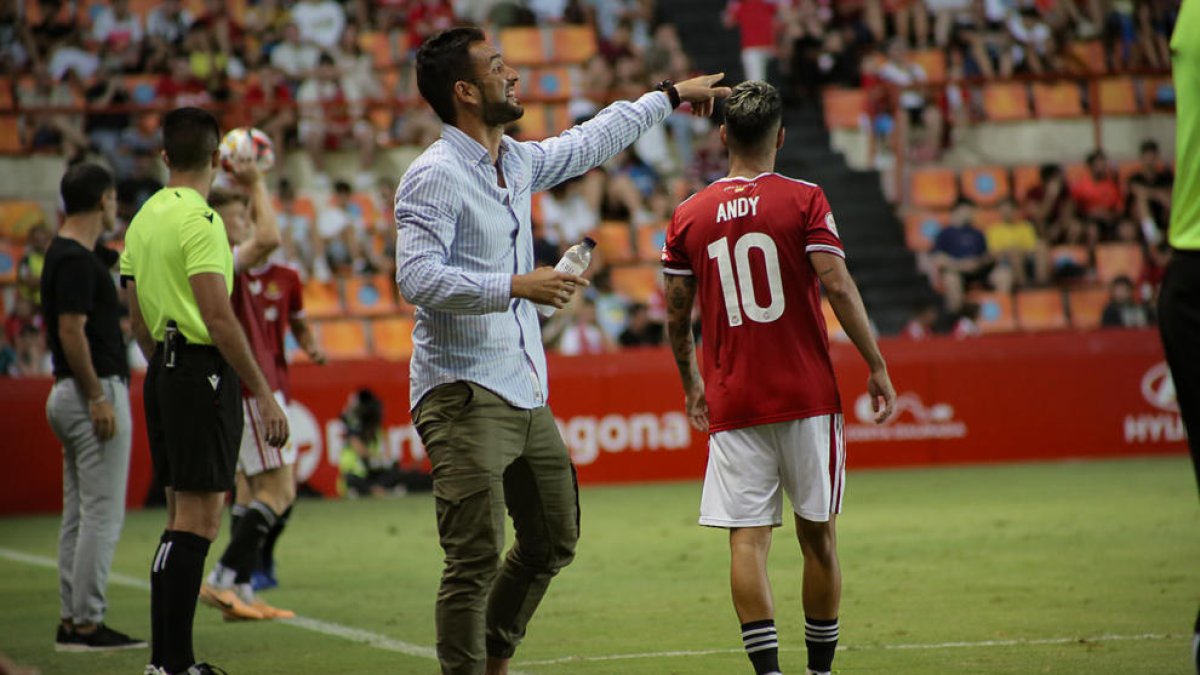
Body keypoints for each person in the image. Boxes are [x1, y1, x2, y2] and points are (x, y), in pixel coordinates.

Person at [394, 26, 729, 675]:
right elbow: (417, 279)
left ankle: (493, 654)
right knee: (472, 558)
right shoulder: (432, 176)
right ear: (465, 90)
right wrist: (515, 284)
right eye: (497, 67)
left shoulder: (513, 161)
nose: (513, 75)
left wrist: (668, 95)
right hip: (461, 390)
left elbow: (588, 141)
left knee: (552, 539)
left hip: (523, 388)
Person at [661, 80, 896, 675]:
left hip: (733, 396)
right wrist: (876, 363)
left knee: (747, 540)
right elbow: (837, 284)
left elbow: (675, 314)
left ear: (722, 137)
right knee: (818, 538)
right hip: (806, 394)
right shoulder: (805, 199)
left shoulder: (688, 214)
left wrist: (692, 384)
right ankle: (819, 673)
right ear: (782, 138)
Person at [120, 107, 289, 675]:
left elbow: (134, 311)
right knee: (198, 521)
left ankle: (168, 662)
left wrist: (162, 365)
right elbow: (218, 316)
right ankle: (172, 664)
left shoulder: (143, 219)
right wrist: (262, 392)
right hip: (201, 372)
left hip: (164, 372)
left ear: (165, 156)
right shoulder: (204, 221)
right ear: (218, 160)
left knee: (178, 520)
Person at [199, 158, 317, 619]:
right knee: (280, 490)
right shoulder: (221, 260)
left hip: (245, 388)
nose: (246, 223)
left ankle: (241, 591)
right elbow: (269, 238)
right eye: (237, 217)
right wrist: (258, 182)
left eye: (246, 215)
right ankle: (223, 577)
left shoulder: (228, 267)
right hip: (251, 390)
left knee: (249, 492)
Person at [43, 163, 145, 652]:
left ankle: (72, 618)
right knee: (101, 515)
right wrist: (99, 397)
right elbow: (71, 330)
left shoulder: (67, 254)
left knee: (79, 515)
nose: (116, 209)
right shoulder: (76, 262)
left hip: (69, 392)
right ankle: (87, 622)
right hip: (91, 390)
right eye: (113, 200)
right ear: (103, 199)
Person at [932, 199, 1010, 314]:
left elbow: (986, 255)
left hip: (979, 270)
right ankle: (957, 317)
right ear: (961, 209)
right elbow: (938, 259)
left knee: (1003, 275)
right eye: (970, 210)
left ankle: (1003, 314)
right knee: (950, 279)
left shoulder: (977, 233)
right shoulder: (945, 233)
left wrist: (981, 261)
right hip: (958, 271)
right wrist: (961, 265)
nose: (973, 213)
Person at [986, 197, 1049, 289]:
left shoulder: (1026, 226)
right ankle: (1022, 285)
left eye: (1008, 209)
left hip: (1026, 256)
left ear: (1014, 210)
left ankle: (1042, 283)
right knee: (1014, 251)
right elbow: (994, 253)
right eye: (1003, 210)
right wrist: (1012, 249)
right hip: (1006, 260)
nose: (1006, 213)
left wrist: (1021, 250)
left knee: (1042, 245)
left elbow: (1032, 247)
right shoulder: (993, 230)